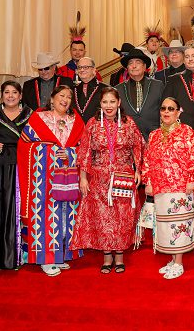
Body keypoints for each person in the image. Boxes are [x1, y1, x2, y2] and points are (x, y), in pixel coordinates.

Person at [71, 87, 144, 274]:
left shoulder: (129, 124)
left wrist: (138, 170)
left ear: (119, 103)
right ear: (100, 104)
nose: (109, 106)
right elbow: (85, 151)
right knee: (103, 218)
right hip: (99, 178)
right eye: (105, 102)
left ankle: (119, 255)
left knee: (121, 217)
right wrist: (83, 177)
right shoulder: (93, 124)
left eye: (112, 101)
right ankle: (106, 257)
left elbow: (139, 146)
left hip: (123, 175)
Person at [17, 85, 85, 276]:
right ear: (52, 99)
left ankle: (62, 254)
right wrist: (51, 151)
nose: (65, 99)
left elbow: (84, 148)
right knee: (45, 213)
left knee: (67, 213)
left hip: (69, 175)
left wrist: (71, 153)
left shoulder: (76, 120)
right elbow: (24, 146)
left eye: (69, 97)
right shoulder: (39, 118)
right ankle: (46, 258)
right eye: (61, 95)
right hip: (43, 177)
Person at [141, 97, 194, 279]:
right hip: (160, 187)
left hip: (181, 187)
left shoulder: (187, 132)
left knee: (179, 224)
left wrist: (192, 178)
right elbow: (148, 160)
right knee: (164, 226)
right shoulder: (154, 135)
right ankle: (172, 260)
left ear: (178, 112)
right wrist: (148, 181)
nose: (166, 112)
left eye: (171, 108)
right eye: (163, 108)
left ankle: (179, 262)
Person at [0, 81, 32, 270]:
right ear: (1, 95)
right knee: (1, 209)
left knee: (21, 208)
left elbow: (39, 140)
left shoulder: (31, 115)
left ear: (20, 95)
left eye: (14, 92)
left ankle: (22, 254)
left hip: (24, 167)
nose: (10, 96)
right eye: (6, 92)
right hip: (0, 168)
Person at [115, 48, 164, 140]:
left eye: (138, 62)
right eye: (130, 63)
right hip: (128, 139)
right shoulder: (118, 89)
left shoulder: (158, 85)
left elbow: (165, 111)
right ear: (127, 68)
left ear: (145, 67)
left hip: (154, 138)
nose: (134, 66)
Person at [72, 56, 108, 123]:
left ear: (94, 70)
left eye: (86, 67)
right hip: (77, 129)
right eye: (79, 67)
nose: (82, 70)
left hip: (98, 129)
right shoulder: (72, 89)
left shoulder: (105, 89)